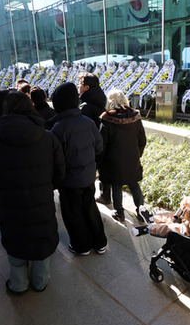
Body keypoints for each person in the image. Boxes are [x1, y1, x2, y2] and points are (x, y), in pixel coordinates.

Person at [0, 91, 65, 294]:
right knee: (41, 240)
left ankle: (18, 284)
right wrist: (45, 187)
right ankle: (40, 282)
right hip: (42, 200)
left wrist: (3, 192)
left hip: (11, 203)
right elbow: (60, 172)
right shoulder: (48, 137)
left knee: (15, 239)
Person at [49, 82, 107, 255]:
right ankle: (100, 242)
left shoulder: (58, 127)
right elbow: (99, 147)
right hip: (88, 176)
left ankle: (81, 246)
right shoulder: (88, 122)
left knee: (73, 212)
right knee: (90, 208)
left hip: (69, 180)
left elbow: (55, 158)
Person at [98, 89, 148, 223]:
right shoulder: (135, 117)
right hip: (132, 158)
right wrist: (137, 154)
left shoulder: (107, 119)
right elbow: (142, 140)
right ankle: (141, 211)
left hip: (113, 161)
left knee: (117, 185)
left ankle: (119, 213)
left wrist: (100, 162)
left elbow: (102, 145)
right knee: (134, 185)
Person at [78, 72, 111, 204]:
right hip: (104, 141)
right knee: (102, 169)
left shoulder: (85, 107)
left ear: (87, 88)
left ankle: (90, 199)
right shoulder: (101, 100)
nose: (78, 87)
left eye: (80, 84)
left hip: (91, 146)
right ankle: (105, 195)